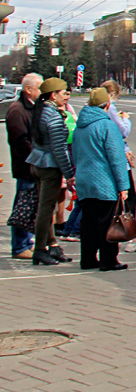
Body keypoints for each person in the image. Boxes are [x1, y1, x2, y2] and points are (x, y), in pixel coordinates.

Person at [72, 87, 131, 271]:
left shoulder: (80, 126)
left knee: (88, 221)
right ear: (106, 105)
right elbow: (117, 158)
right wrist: (123, 186)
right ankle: (108, 260)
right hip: (104, 182)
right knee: (107, 221)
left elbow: (75, 154)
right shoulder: (107, 126)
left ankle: (88, 259)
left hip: (84, 180)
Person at [25, 77, 74, 265]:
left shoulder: (41, 111)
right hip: (49, 166)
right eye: (63, 93)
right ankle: (40, 249)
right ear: (53, 95)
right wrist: (69, 174)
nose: (66, 97)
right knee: (46, 210)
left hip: (37, 163)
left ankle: (52, 246)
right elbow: (59, 149)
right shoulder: (52, 116)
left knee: (46, 208)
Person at [102, 81, 136, 253]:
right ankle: (130, 237)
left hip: (106, 159)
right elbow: (122, 132)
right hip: (118, 156)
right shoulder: (110, 108)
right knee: (129, 197)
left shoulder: (92, 110)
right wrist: (126, 119)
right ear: (113, 94)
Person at [6, 73, 43, 259]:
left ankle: (26, 242)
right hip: (26, 167)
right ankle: (20, 246)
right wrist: (38, 159)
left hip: (33, 167)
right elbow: (20, 142)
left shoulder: (33, 108)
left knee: (30, 205)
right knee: (24, 206)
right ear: (28, 89)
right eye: (39, 89)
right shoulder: (17, 110)